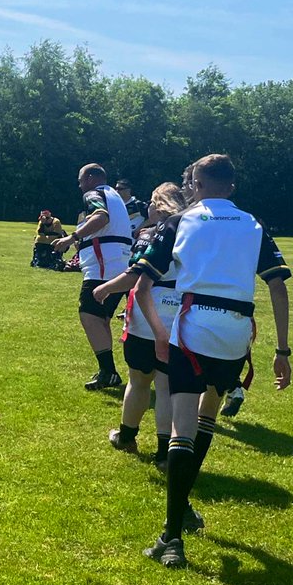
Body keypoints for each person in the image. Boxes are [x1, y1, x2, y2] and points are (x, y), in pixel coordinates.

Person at [134, 154, 292, 569]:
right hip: (234, 336)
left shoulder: (181, 220)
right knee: (206, 418)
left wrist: (161, 333)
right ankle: (183, 506)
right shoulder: (254, 224)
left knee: (180, 429)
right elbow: (278, 287)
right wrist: (282, 350)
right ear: (232, 187)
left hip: (194, 329)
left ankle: (171, 538)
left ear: (196, 185)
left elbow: (143, 285)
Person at [91, 183, 187, 468]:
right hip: (182, 310)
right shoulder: (194, 231)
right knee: (167, 385)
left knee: (139, 379)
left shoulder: (152, 233)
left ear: (158, 206)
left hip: (149, 310)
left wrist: (105, 288)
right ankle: (164, 452)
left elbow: (136, 273)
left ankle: (127, 436)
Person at [51, 164, 132, 390]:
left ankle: (108, 371)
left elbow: (100, 217)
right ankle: (109, 371)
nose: (79, 186)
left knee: (88, 312)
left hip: (104, 264)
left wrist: (71, 238)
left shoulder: (93, 193)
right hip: (116, 260)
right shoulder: (113, 195)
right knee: (101, 317)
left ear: (89, 178)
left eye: (80, 181)